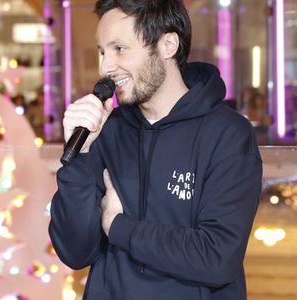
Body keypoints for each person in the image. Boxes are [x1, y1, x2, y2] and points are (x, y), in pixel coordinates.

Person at [49, 1, 262, 299]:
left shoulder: (227, 135)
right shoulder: (106, 130)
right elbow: (75, 252)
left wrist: (119, 226)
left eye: (119, 49)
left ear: (167, 44)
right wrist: (80, 157)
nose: (105, 67)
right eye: (102, 51)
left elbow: (217, 258)